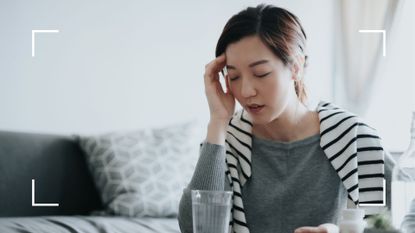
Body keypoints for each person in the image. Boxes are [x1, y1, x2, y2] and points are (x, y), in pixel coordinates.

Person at [178, 4, 394, 233]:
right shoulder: (226, 142)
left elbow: (396, 224)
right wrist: (218, 121)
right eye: (234, 77)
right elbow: (195, 228)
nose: (246, 91)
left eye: (261, 73)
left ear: (295, 67)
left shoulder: (354, 139)